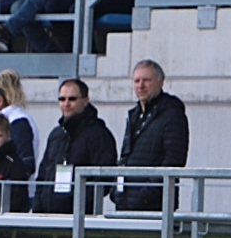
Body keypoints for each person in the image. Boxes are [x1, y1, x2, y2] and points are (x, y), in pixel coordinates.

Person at [113, 59, 189, 212]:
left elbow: (174, 160)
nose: (140, 85)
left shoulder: (172, 114)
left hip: (156, 206)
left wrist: (146, 194)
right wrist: (117, 191)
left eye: (146, 80)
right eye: (136, 81)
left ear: (161, 82)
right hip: (126, 204)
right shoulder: (134, 115)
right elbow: (124, 158)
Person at [33, 77, 117, 214]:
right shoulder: (56, 135)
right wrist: (38, 206)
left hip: (80, 217)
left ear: (85, 101)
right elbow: (43, 173)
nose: (66, 104)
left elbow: (104, 178)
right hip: (48, 216)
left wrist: (78, 203)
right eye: (62, 99)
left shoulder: (99, 135)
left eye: (72, 99)